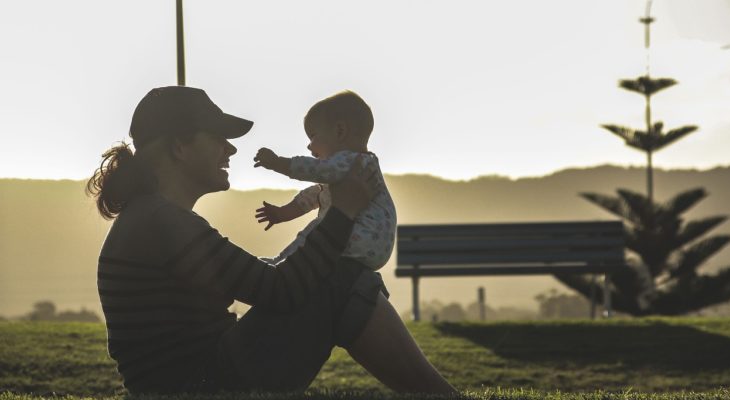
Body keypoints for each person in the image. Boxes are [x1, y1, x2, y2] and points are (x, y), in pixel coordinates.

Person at [87, 86, 455, 394]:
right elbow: (279, 290)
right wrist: (343, 212)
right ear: (179, 147)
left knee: (341, 275)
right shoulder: (160, 222)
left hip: (196, 381)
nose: (230, 150)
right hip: (205, 386)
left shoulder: (151, 219)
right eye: (218, 138)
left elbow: (257, 279)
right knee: (342, 277)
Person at [253, 90, 396, 272]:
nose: (309, 145)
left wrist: (277, 162)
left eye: (312, 136)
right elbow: (315, 196)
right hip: (372, 247)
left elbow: (315, 170)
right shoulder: (355, 168)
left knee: (315, 234)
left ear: (339, 131)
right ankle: (281, 263)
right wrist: (282, 214)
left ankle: (281, 265)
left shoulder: (353, 161)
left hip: (360, 238)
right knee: (318, 232)